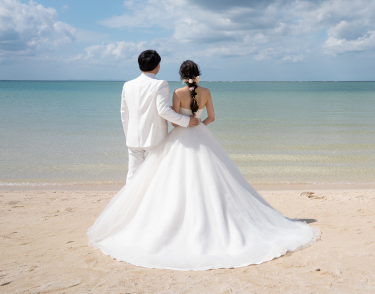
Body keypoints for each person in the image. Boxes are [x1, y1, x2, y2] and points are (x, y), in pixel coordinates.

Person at [88, 57, 319, 271]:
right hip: (200, 133)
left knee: (157, 179)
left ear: (181, 74)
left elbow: (168, 117)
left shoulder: (175, 91)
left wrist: (182, 125)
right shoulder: (206, 91)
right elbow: (211, 117)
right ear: (197, 74)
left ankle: (135, 217)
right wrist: (199, 126)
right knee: (211, 177)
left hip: (170, 137)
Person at [118, 50, 200, 183]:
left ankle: (132, 204)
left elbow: (124, 113)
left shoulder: (127, 85)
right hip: (154, 138)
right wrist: (186, 120)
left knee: (133, 176)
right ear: (157, 65)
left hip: (133, 139)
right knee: (154, 177)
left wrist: (129, 135)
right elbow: (164, 111)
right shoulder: (160, 84)